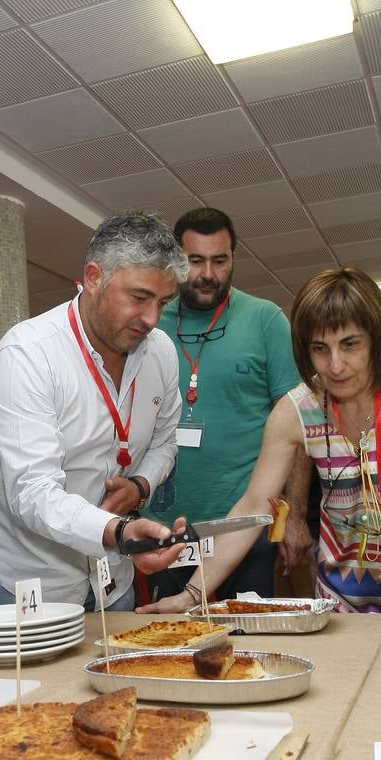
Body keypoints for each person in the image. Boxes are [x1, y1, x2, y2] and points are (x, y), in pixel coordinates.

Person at [139, 268, 381, 632]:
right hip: (340, 597)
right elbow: (254, 506)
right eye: (319, 348)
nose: (334, 366)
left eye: (350, 344)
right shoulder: (296, 409)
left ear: (377, 339)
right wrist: (193, 593)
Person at [0, 212, 189, 610]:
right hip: (28, 579)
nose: (153, 319)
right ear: (93, 278)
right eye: (139, 298)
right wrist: (119, 532)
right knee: (37, 678)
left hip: (111, 577)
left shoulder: (161, 353)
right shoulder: (29, 354)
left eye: (163, 302)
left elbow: (164, 443)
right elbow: (33, 493)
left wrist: (140, 485)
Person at [145, 207, 300, 601]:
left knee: (247, 648)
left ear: (234, 258)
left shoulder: (265, 320)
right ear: (177, 260)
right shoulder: (151, 324)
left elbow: (297, 425)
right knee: (171, 644)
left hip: (244, 526)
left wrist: (295, 515)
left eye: (220, 260)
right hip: (166, 527)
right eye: (196, 261)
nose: (209, 274)